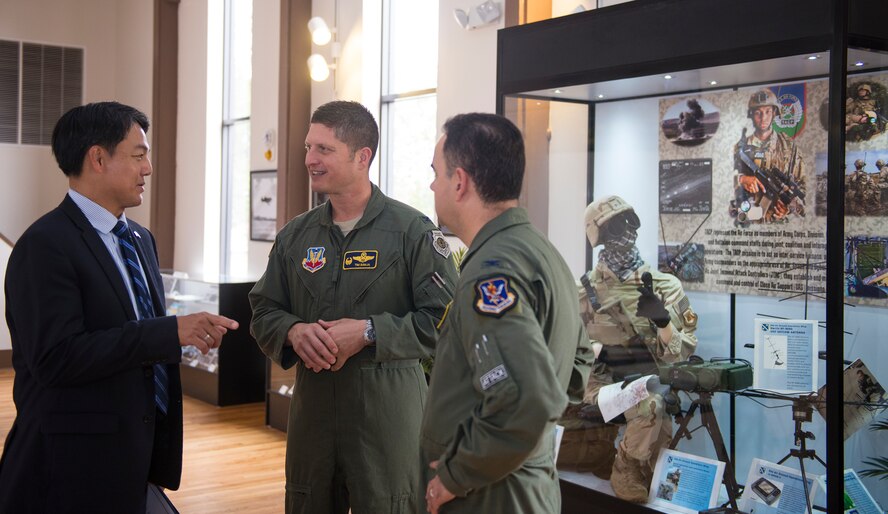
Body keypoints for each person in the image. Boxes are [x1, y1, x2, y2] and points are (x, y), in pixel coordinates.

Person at [0, 101, 239, 512]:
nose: (147, 168)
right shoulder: (45, 245)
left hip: (133, 456)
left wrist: (177, 336)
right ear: (97, 158)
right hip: (71, 468)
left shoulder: (140, 239)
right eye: (139, 155)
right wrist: (169, 332)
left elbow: (133, 336)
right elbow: (56, 358)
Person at [249, 100, 457, 514]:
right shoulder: (295, 236)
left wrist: (368, 332)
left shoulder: (412, 233)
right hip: (313, 420)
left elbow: (446, 321)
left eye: (323, 149)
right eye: (309, 147)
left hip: (387, 421)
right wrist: (292, 331)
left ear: (362, 157)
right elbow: (264, 309)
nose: (310, 159)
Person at [421, 113, 593, 514]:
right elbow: (577, 365)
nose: (432, 184)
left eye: (436, 173)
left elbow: (528, 398)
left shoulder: (491, 273)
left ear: (459, 182)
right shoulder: (541, 252)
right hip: (519, 482)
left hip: (489, 494)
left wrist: (457, 473)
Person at [575, 195, 698, 503]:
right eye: (615, 225)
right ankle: (625, 466)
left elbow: (682, 353)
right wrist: (600, 349)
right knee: (651, 406)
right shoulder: (584, 291)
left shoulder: (665, 286)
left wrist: (663, 322)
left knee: (663, 479)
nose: (626, 231)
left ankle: (634, 462)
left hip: (651, 381)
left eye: (629, 222)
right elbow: (565, 348)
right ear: (598, 236)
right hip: (603, 385)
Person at [732, 89, 806, 223]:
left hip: (777, 231)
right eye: (758, 113)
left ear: (774, 113)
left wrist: (787, 210)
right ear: (752, 115)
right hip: (747, 226)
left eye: (768, 112)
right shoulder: (740, 147)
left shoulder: (789, 148)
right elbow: (723, 179)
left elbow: (802, 185)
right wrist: (742, 179)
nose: (763, 118)